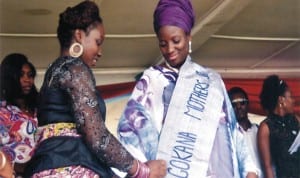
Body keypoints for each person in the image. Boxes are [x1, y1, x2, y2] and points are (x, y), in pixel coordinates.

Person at [24, 1, 166, 178]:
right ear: (79, 35)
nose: (100, 51)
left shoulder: (54, 73)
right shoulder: (74, 68)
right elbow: (97, 137)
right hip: (69, 166)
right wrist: (142, 170)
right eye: (98, 42)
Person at [117, 0, 258, 177]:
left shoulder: (211, 81)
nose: (169, 49)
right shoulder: (152, 81)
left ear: (189, 37)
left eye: (176, 41)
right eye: (162, 43)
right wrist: (142, 169)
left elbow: (232, 131)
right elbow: (130, 129)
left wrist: (250, 170)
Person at [0, 53, 39, 177]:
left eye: (30, 75)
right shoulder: (2, 111)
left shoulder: (40, 107)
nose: (27, 80)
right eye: (21, 75)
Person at [258, 75, 300, 178]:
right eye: (290, 96)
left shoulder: (297, 120)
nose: (293, 100)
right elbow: (267, 166)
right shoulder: (266, 127)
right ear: (281, 100)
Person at [228, 87, 263, 178]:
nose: (238, 107)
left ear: (248, 104)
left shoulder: (260, 131)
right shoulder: (228, 135)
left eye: (242, 102)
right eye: (234, 104)